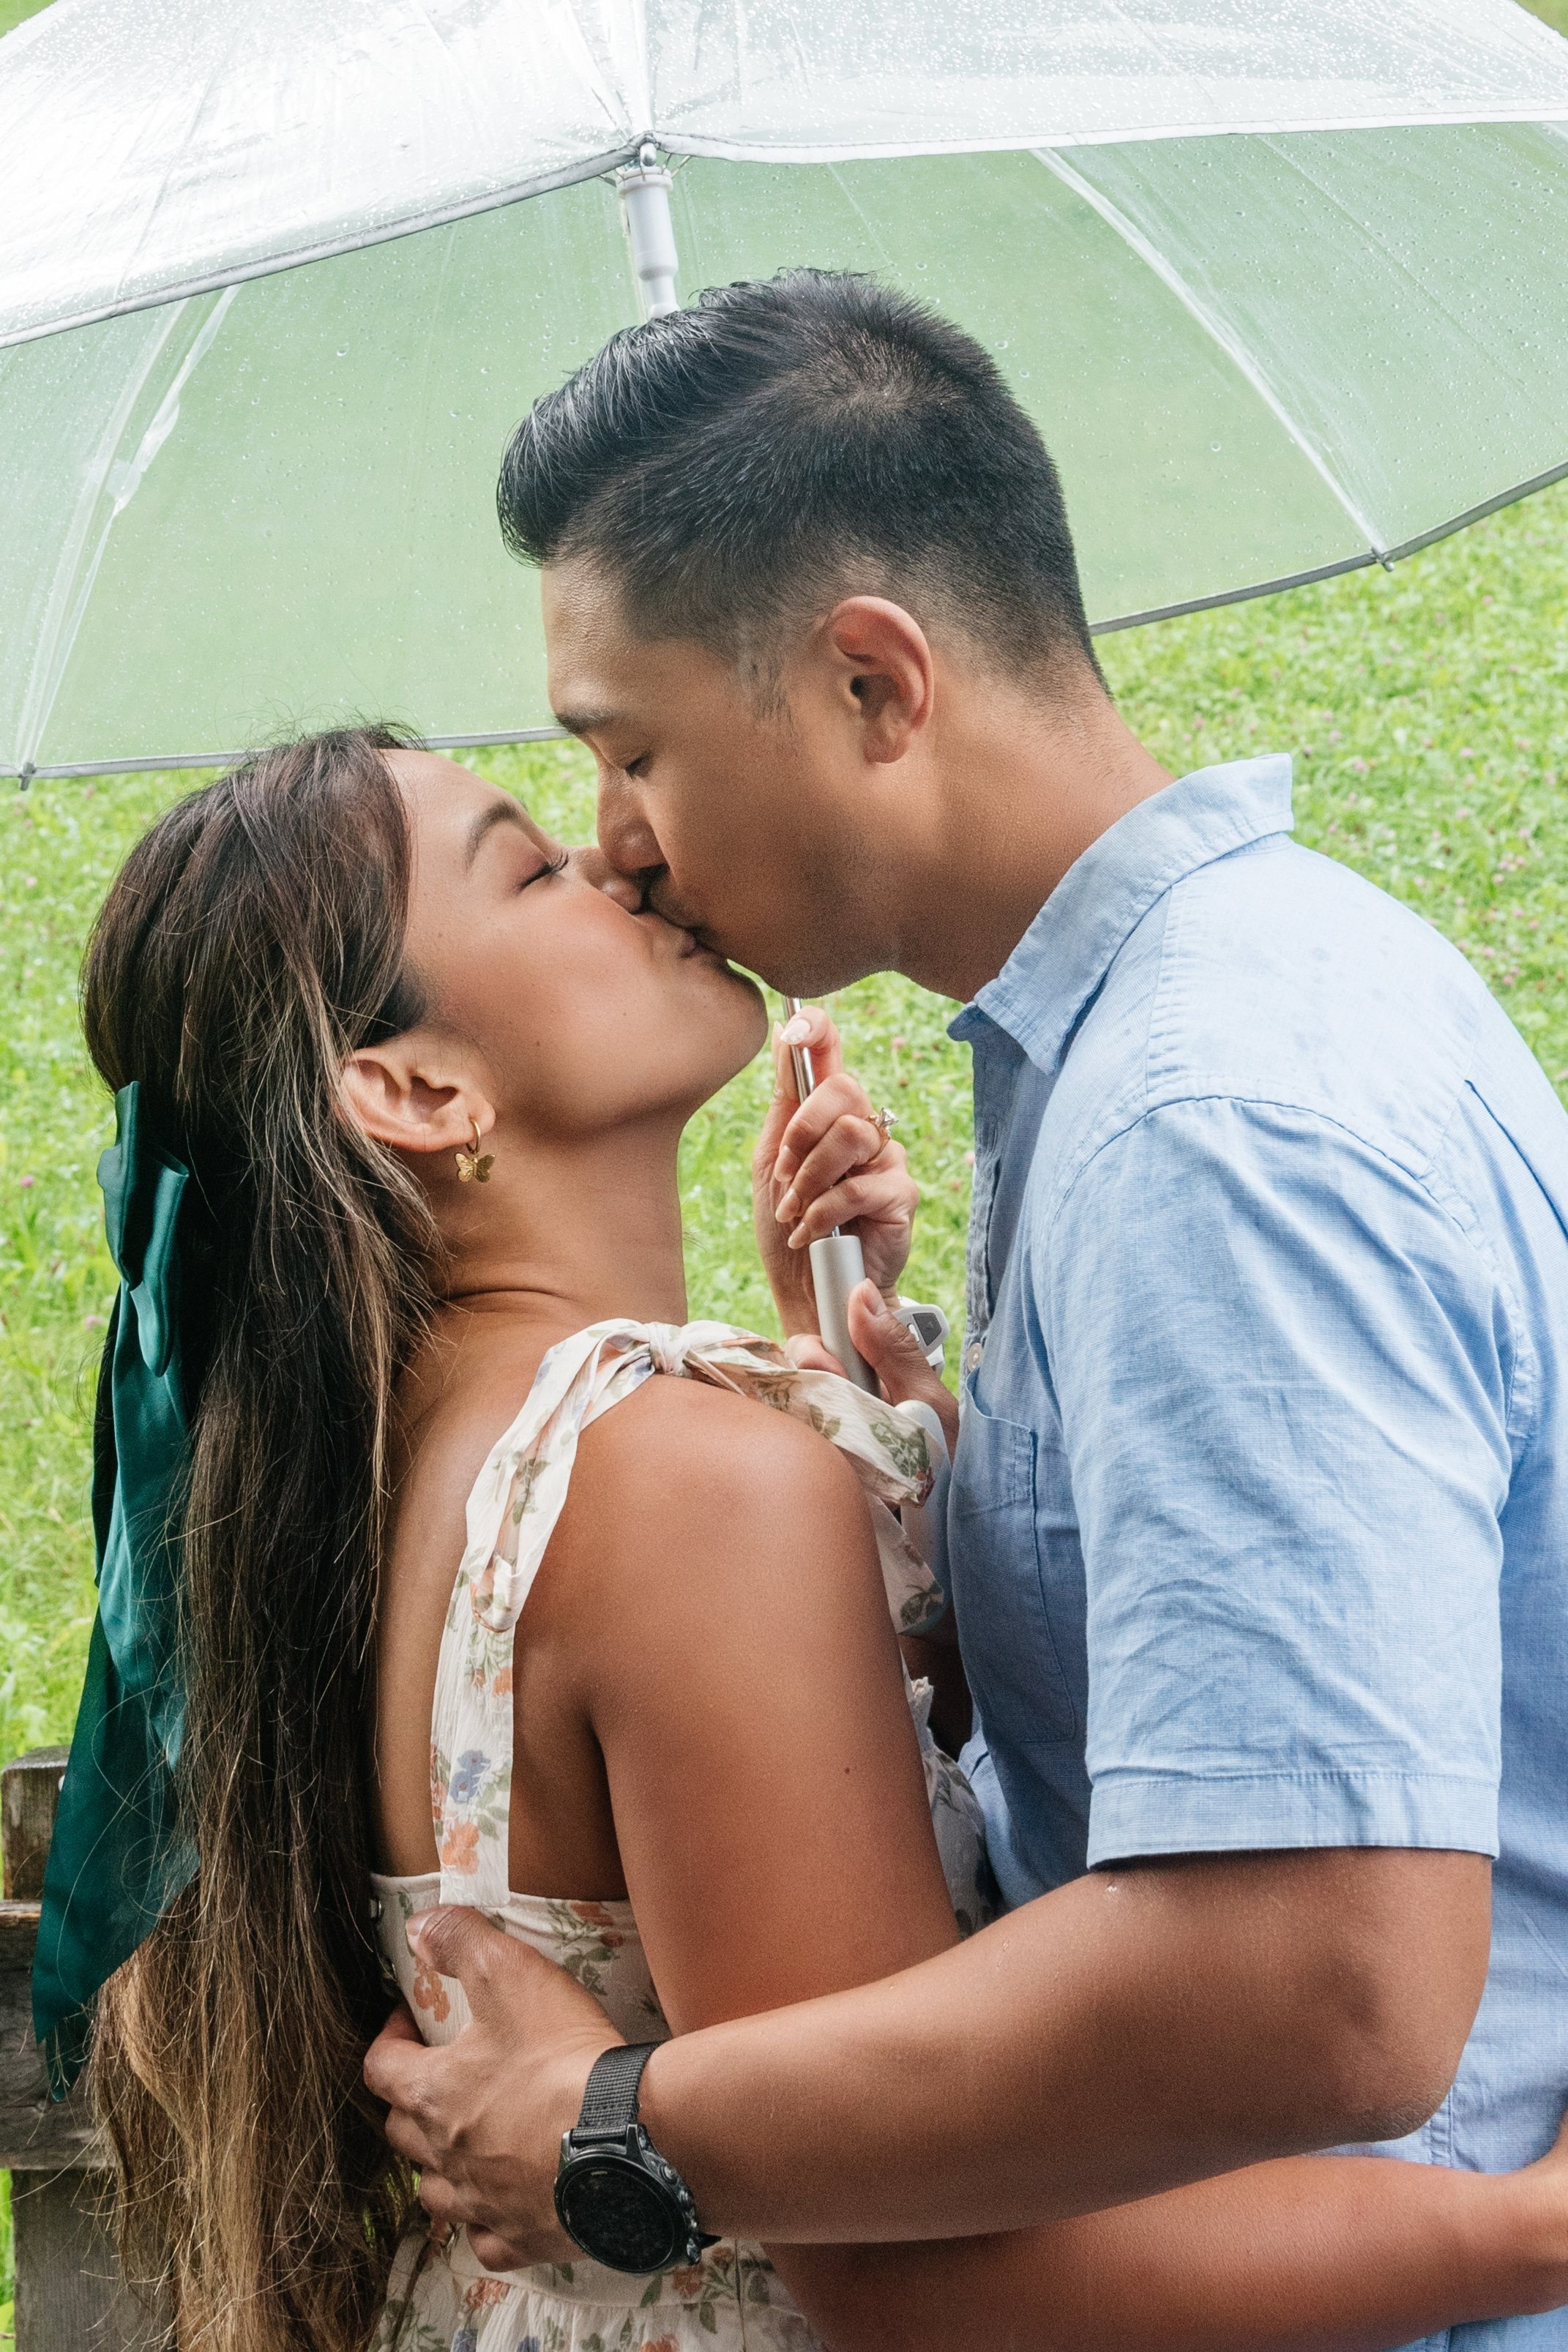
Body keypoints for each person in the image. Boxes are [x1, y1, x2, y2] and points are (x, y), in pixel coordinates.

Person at [364, 272, 1568, 2352]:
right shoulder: (1170, 1042)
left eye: (629, 749)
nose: (621, 850)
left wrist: (615, 2118)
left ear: (868, 684)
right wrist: (931, 1409)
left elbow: (1332, 1973)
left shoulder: (1212, 1130)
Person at [71, 725, 1568, 2352]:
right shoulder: (679, 1487)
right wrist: (1528, 2226)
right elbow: (910, 2275)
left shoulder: (444, 1458)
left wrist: (862, 1436)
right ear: (419, 1089)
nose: (615, 856)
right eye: (530, 865)